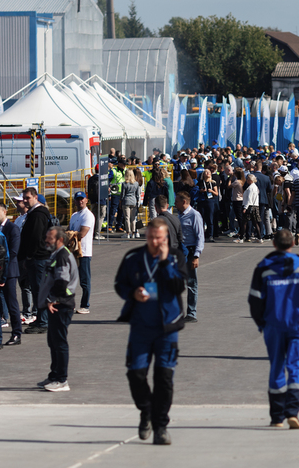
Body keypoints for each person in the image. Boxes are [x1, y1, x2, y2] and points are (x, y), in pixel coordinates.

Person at [115, 217, 188, 445]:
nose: (155, 241)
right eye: (151, 237)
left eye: (159, 238)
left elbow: (179, 286)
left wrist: (165, 262)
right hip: (141, 326)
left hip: (167, 328)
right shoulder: (133, 257)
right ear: (146, 236)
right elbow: (120, 284)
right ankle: (146, 410)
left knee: (164, 379)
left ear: (166, 238)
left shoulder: (176, 257)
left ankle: (160, 427)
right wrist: (132, 293)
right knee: (135, 374)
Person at [249, 229, 299, 429]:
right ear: (293, 243)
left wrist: (261, 323)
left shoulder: (263, 268)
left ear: (274, 244)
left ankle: (276, 417)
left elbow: (254, 300)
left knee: (276, 367)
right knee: (296, 367)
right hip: (298, 325)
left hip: (273, 325)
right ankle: (292, 412)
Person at [36, 226, 80, 392]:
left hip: (61, 305)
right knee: (53, 342)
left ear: (60, 240)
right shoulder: (57, 255)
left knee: (59, 342)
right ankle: (54, 375)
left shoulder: (62, 256)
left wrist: (51, 299)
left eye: (50, 238)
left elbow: (62, 282)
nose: (46, 240)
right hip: (57, 304)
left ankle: (61, 379)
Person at [19, 187, 54, 334]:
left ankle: (44, 322)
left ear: (35, 197)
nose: (25, 201)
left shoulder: (38, 215)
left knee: (40, 290)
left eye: (28, 198)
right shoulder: (35, 214)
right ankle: (40, 319)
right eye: (24, 198)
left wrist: (29, 256)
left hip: (39, 258)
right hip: (37, 257)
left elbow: (35, 237)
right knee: (37, 290)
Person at [0, 203, 22, 346]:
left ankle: (17, 333)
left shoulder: (13, 228)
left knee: (11, 303)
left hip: (9, 272)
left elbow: (14, 251)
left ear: (5, 212)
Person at [176, 192, 204, 323]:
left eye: (176, 201)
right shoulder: (180, 215)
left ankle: (192, 313)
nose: (174, 203)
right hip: (180, 251)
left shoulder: (194, 215)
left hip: (191, 251)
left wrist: (196, 256)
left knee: (192, 283)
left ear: (184, 202)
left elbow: (200, 237)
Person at [68, 192, 95, 315]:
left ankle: (85, 305)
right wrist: (70, 233)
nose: (79, 202)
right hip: (72, 251)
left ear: (86, 200)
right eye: (77, 199)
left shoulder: (88, 215)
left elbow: (82, 233)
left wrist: (71, 234)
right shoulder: (74, 215)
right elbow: (68, 231)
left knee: (84, 280)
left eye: (81, 199)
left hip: (83, 251)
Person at [122, 169, 141, 239]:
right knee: (133, 218)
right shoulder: (136, 183)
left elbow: (122, 195)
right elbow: (138, 194)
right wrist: (137, 201)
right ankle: (133, 232)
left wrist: (121, 201)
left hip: (126, 201)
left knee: (127, 218)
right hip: (133, 201)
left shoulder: (124, 184)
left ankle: (127, 233)